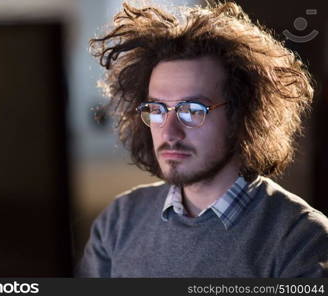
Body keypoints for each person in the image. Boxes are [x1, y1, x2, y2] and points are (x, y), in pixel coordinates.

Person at [75, 1, 328, 277]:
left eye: (192, 110)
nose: (169, 132)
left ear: (242, 114)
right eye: (156, 110)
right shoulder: (119, 221)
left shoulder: (301, 240)